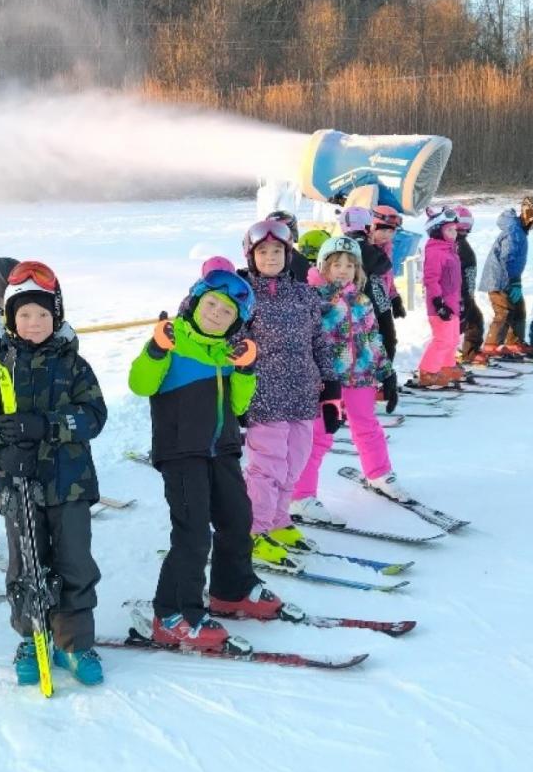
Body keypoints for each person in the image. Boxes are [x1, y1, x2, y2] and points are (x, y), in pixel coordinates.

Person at [128, 264, 283, 651]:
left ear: (236, 323)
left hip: (223, 449)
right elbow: (139, 383)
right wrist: (155, 350)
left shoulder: (227, 353)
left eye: (228, 312)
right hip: (182, 453)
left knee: (237, 519)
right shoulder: (173, 342)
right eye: (212, 304)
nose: (217, 313)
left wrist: (245, 370)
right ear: (195, 303)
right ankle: (172, 613)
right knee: (193, 533)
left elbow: (239, 405)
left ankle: (232, 589)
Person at [0, 261, 108, 686]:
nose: (33, 323)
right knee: (26, 564)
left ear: (57, 317)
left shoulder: (73, 365)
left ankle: (74, 640)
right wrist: (0, 456)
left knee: (74, 563)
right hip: (19, 489)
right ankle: (32, 636)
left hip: (69, 485)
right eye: (24, 314)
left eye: (43, 315)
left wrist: (48, 425)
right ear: (10, 318)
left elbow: (94, 416)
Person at [237, 219, 339, 566]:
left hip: (301, 394)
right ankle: (253, 531)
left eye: (277, 251)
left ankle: (279, 521)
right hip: (263, 395)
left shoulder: (303, 294)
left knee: (294, 462)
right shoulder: (242, 296)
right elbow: (232, 344)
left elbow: (319, 343)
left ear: (288, 253)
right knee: (267, 467)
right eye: (262, 251)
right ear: (251, 256)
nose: (270, 257)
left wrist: (331, 389)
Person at [290, 236, 404, 525]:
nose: (343, 270)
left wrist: (386, 372)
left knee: (368, 427)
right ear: (323, 266)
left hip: (362, 377)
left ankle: (378, 473)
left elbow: (372, 339)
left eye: (349, 265)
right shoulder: (313, 299)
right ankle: (301, 496)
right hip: (328, 382)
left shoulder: (363, 301)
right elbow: (306, 342)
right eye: (336, 264)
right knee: (319, 437)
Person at [479, 194, 533, 354]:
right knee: (504, 311)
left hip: (510, 279)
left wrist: (516, 280)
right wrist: (514, 281)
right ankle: (491, 345)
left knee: (519, 308)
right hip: (499, 280)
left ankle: (514, 341)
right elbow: (508, 259)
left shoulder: (520, 232)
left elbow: (516, 262)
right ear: (530, 217)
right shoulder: (514, 233)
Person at [338, 204, 397, 362]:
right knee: (382, 341)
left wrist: (394, 296)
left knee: (375, 341)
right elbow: (383, 265)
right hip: (372, 303)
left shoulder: (347, 245)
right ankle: (381, 379)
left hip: (371, 301)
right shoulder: (362, 246)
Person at [416, 207, 464, 387]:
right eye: (449, 230)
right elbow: (431, 279)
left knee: (452, 339)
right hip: (440, 306)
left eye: (455, 230)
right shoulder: (435, 251)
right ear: (437, 231)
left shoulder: (450, 251)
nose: (454, 234)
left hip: (452, 303)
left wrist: (460, 302)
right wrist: (438, 302)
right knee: (442, 339)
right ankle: (427, 371)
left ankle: (445, 367)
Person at [453, 206, 485, 363]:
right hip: (460, 293)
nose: (465, 230)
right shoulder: (457, 245)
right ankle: (465, 353)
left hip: (463, 292)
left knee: (473, 320)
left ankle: (469, 352)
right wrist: (464, 293)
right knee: (467, 322)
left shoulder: (457, 243)